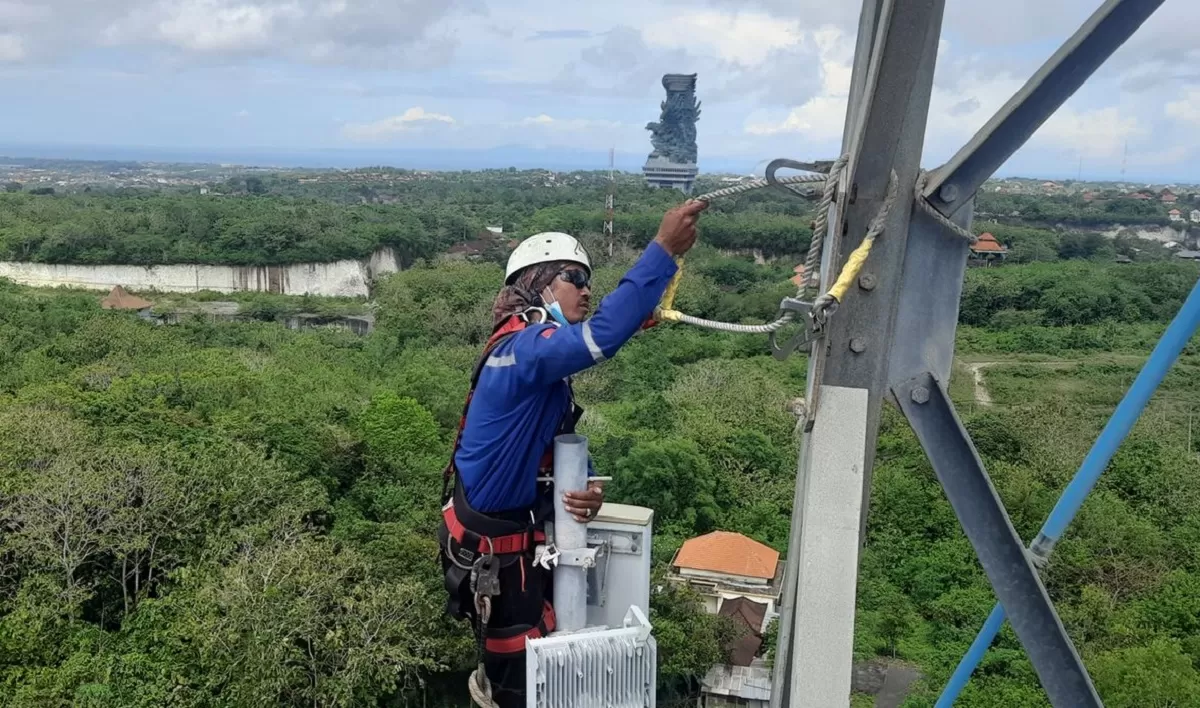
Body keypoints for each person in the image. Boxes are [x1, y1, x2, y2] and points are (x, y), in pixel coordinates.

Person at [438, 199, 708, 707]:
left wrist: (583, 484)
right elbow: (601, 336)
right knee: (519, 682)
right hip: (499, 551)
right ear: (537, 284)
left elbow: (547, 438)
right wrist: (663, 250)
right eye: (572, 277)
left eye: (587, 279)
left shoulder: (539, 365)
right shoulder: (519, 350)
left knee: (542, 663)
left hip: (516, 538)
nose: (586, 288)